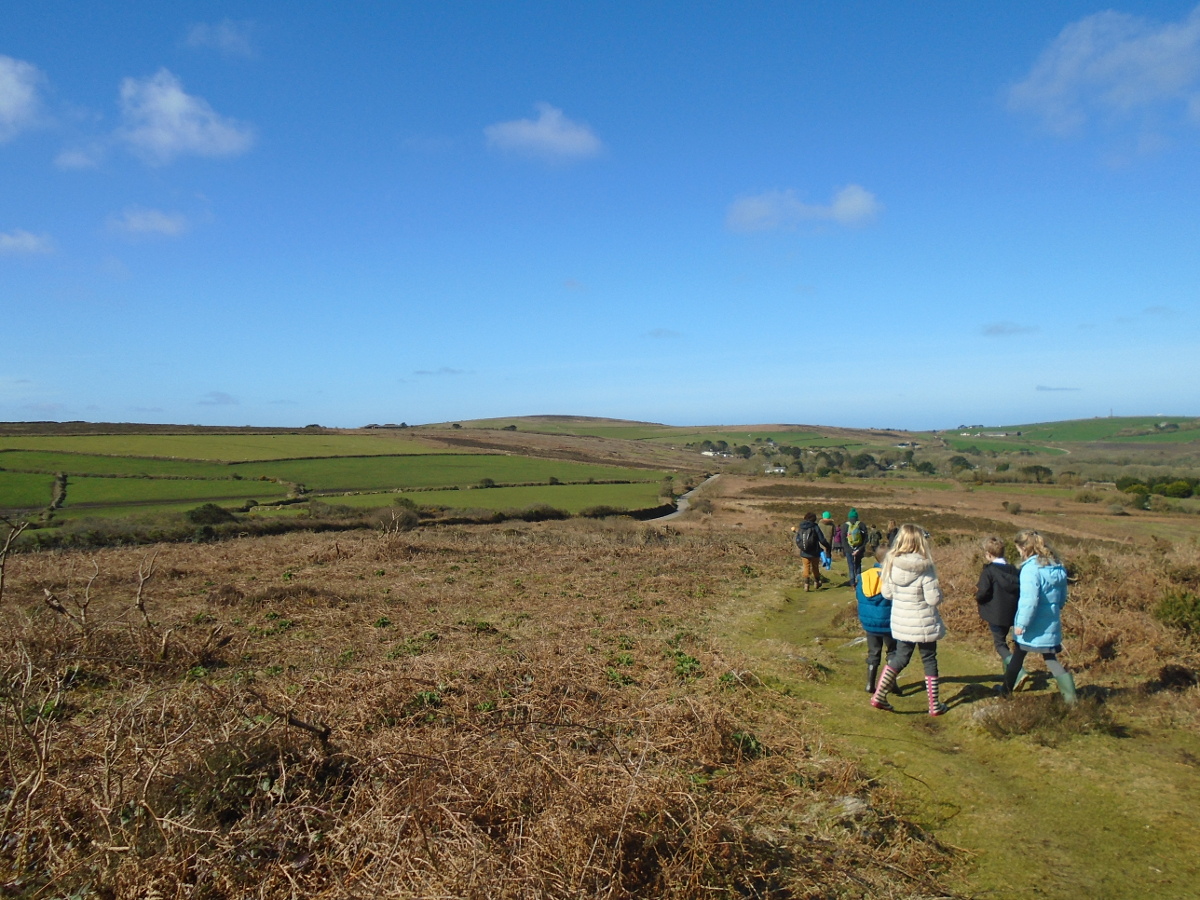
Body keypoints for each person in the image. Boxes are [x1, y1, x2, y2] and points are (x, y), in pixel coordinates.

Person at [870, 523, 949, 715]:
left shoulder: (890, 562)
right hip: (924, 622)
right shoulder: (926, 566)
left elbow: (887, 593)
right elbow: (933, 599)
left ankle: (879, 695)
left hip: (902, 621)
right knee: (929, 659)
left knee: (900, 658)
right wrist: (940, 593)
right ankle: (934, 705)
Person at [1001, 530, 1076, 703]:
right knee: (1051, 659)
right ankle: (1071, 699)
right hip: (1050, 621)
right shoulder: (1057, 566)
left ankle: (1005, 692)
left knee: (1018, 656)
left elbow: (1029, 601)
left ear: (1024, 548)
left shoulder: (1030, 570)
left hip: (1031, 624)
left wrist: (1021, 624)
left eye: (1019, 549)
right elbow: (1062, 597)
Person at [975, 535, 1026, 688]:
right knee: (1014, 644)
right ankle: (1009, 678)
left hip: (995, 614)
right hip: (1014, 613)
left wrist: (979, 599)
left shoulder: (989, 571)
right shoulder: (1015, 570)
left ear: (988, 554)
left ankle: (1018, 672)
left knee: (1000, 644)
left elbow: (983, 593)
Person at [856, 544, 895, 693]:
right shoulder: (892, 577)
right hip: (889, 623)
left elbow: (859, 596)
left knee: (873, 652)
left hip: (870, 622)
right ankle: (891, 684)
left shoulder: (865, 576)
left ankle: (870, 684)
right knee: (893, 652)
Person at [794, 512, 831, 592]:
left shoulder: (801, 527)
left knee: (806, 567)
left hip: (804, 551)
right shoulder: (815, 527)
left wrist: (801, 547)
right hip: (815, 551)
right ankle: (817, 582)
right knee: (815, 567)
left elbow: (797, 539)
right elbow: (822, 539)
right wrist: (827, 546)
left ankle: (806, 584)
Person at [843, 508, 868, 589]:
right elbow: (866, 539)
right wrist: (859, 549)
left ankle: (852, 583)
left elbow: (843, 540)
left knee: (851, 566)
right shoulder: (861, 525)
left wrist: (849, 550)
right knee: (858, 565)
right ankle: (859, 582)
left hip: (849, 549)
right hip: (859, 549)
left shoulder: (845, 526)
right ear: (857, 516)